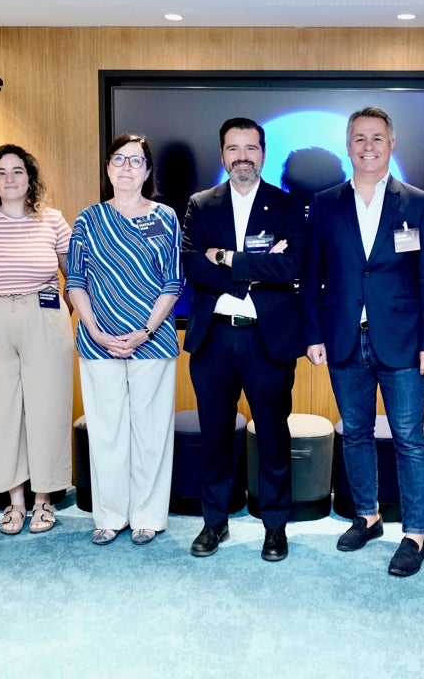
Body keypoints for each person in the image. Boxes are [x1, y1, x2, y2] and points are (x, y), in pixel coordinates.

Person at [302, 106, 424, 577]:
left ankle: (415, 533)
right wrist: (314, 335)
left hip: (404, 342)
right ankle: (368, 516)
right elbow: (311, 275)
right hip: (344, 339)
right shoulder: (325, 204)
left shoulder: (419, 202)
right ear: (348, 145)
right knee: (356, 432)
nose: (368, 146)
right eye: (359, 138)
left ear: (392, 144)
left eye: (377, 138)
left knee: (408, 438)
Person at [182, 117, 306, 562]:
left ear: (263, 154)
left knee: (273, 435)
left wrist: (229, 259)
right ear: (222, 155)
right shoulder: (201, 204)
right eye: (233, 149)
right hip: (213, 338)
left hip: (267, 341)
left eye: (250, 148)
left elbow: (290, 267)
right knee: (215, 435)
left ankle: (275, 526)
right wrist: (251, 272)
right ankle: (215, 522)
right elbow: (193, 266)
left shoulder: (288, 206)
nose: (242, 157)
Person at [65, 134, 182, 546]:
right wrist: (94, 329)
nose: (127, 167)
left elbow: (173, 281)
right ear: (108, 168)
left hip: (154, 339)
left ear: (148, 171)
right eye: (120, 160)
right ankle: (111, 516)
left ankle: (148, 515)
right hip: (98, 340)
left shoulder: (166, 217)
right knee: (106, 431)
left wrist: (147, 330)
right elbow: (75, 280)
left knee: (151, 432)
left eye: (136, 161)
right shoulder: (87, 219)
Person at [0, 144, 74, 535]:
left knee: (47, 409)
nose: (10, 178)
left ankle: (44, 501)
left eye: (18, 171)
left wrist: (61, 317)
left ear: (30, 179)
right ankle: (15, 502)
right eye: (2, 172)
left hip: (43, 314)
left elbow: (73, 277)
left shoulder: (53, 220)